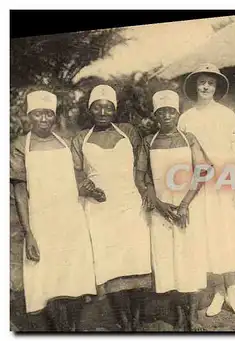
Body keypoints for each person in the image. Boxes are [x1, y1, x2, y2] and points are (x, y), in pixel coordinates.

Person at [10, 90, 96, 331]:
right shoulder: (19, 147)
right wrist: (29, 234)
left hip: (70, 218)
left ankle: (74, 330)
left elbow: (76, 179)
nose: (44, 119)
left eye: (48, 114)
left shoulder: (66, 144)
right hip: (41, 222)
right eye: (38, 114)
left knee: (75, 280)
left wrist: (87, 187)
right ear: (29, 116)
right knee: (49, 283)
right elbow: (19, 193)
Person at [71, 84, 152, 331]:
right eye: (98, 107)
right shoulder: (80, 138)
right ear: (90, 109)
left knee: (136, 262)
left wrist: (147, 188)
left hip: (130, 204)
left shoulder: (128, 132)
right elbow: (74, 171)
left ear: (114, 109)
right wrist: (87, 187)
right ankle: (124, 323)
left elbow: (142, 164)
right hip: (100, 208)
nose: (103, 111)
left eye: (108, 107)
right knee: (112, 266)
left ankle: (136, 320)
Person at [178, 63, 235, 316]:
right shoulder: (186, 118)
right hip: (201, 186)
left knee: (228, 234)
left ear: (217, 87)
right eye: (202, 82)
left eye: (211, 83)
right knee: (209, 235)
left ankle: (233, 290)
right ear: (195, 86)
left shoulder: (227, 115)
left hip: (226, 182)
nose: (206, 87)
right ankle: (218, 291)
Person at [137, 90, 211, 331]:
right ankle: (178, 314)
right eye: (162, 112)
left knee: (190, 259)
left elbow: (203, 171)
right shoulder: (148, 141)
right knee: (168, 261)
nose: (166, 116)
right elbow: (140, 177)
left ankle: (192, 315)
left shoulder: (189, 138)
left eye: (171, 111)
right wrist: (159, 205)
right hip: (161, 210)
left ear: (177, 113)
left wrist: (184, 205)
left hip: (187, 206)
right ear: (155, 115)